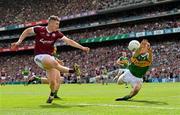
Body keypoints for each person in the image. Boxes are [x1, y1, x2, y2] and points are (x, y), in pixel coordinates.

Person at [12, 15, 90, 103]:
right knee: (53, 62)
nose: (58, 26)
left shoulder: (57, 33)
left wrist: (82, 47)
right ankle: (73, 71)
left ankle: (52, 95)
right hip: (39, 57)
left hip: (50, 58)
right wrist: (19, 42)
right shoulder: (40, 29)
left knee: (54, 82)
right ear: (51, 23)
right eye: (57, 24)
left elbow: (69, 41)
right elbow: (27, 31)